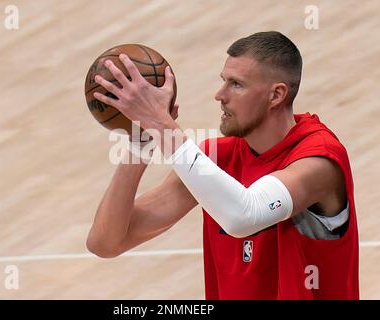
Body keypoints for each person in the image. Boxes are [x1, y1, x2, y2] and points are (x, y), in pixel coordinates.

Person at [86, 31, 359, 299]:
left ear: (276, 95)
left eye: (236, 84)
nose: (220, 95)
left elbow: (244, 215)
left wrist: (161, 124)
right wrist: (140, 141)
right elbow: (106, 242)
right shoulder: (217, 157)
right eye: (223, 81)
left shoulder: (320, 159)